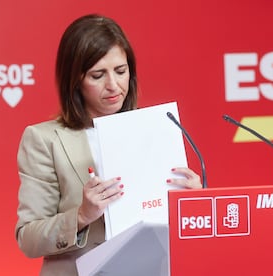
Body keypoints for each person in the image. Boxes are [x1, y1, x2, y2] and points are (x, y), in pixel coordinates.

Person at [15, 14, 202, 276]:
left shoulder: (155, 128)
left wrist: (194, 202)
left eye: (121, 71)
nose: (113, 85)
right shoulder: (44, 140)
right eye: (98, 75)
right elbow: (28, 239)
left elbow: (174, 222)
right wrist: (81, 216)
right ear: (75, 81)